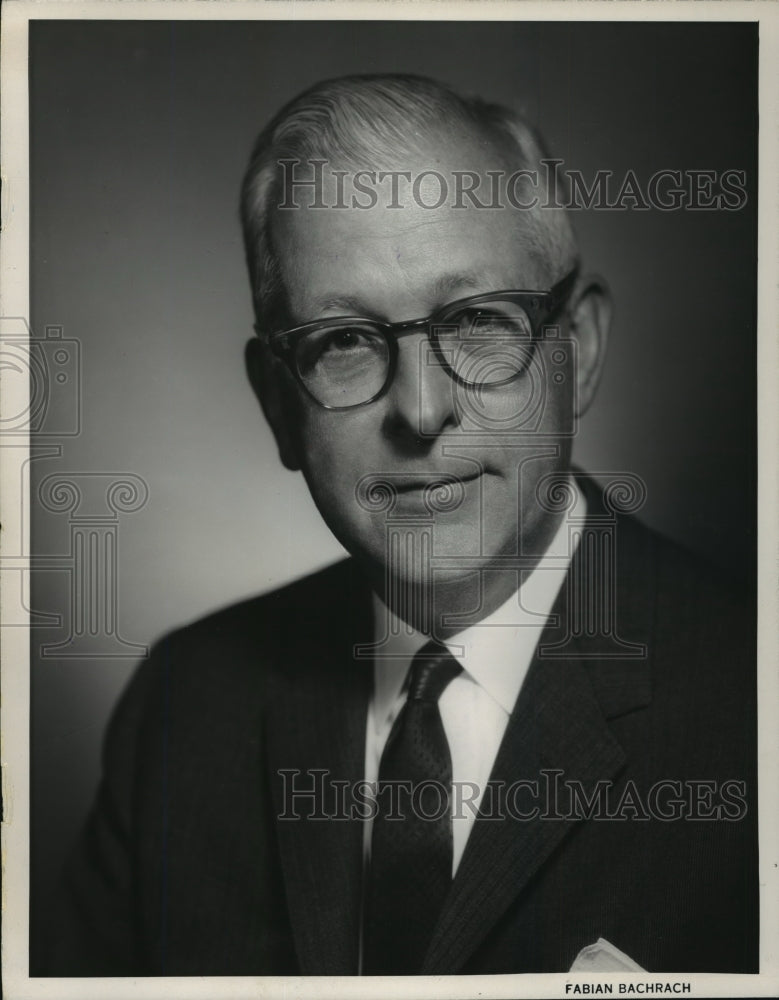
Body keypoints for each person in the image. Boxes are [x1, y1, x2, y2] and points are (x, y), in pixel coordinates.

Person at [42, 74, 757, 977]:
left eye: (476, 322)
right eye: (342, 340)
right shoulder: (187, 709)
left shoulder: (750, 704)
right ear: (276, 406)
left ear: (574, 353)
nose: (421, 412)